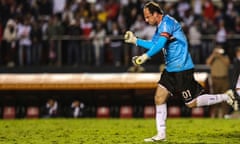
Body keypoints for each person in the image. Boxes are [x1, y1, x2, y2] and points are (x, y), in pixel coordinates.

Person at [124, 1, 238, 142]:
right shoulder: (160, 27)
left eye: (148, 17)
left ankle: (226, 97)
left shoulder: (167, 23)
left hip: (182, 68)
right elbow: (154, 44)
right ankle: (161, 134)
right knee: (159, 98)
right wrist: (136, 41)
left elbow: (159, 45)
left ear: (155, 14)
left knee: (191, 103)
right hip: (171, 69)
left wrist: (145, 56)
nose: (146, 20)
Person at [206, 46, 231, 118]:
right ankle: (214, 114)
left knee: (225, 97)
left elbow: (228, 64)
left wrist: (220, 56)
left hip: (224, 79)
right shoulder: (213, 57)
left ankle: (225, 114)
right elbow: (207, 63)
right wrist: (213, 54)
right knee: (214, 98)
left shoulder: (225, 56)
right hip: (215, 79)